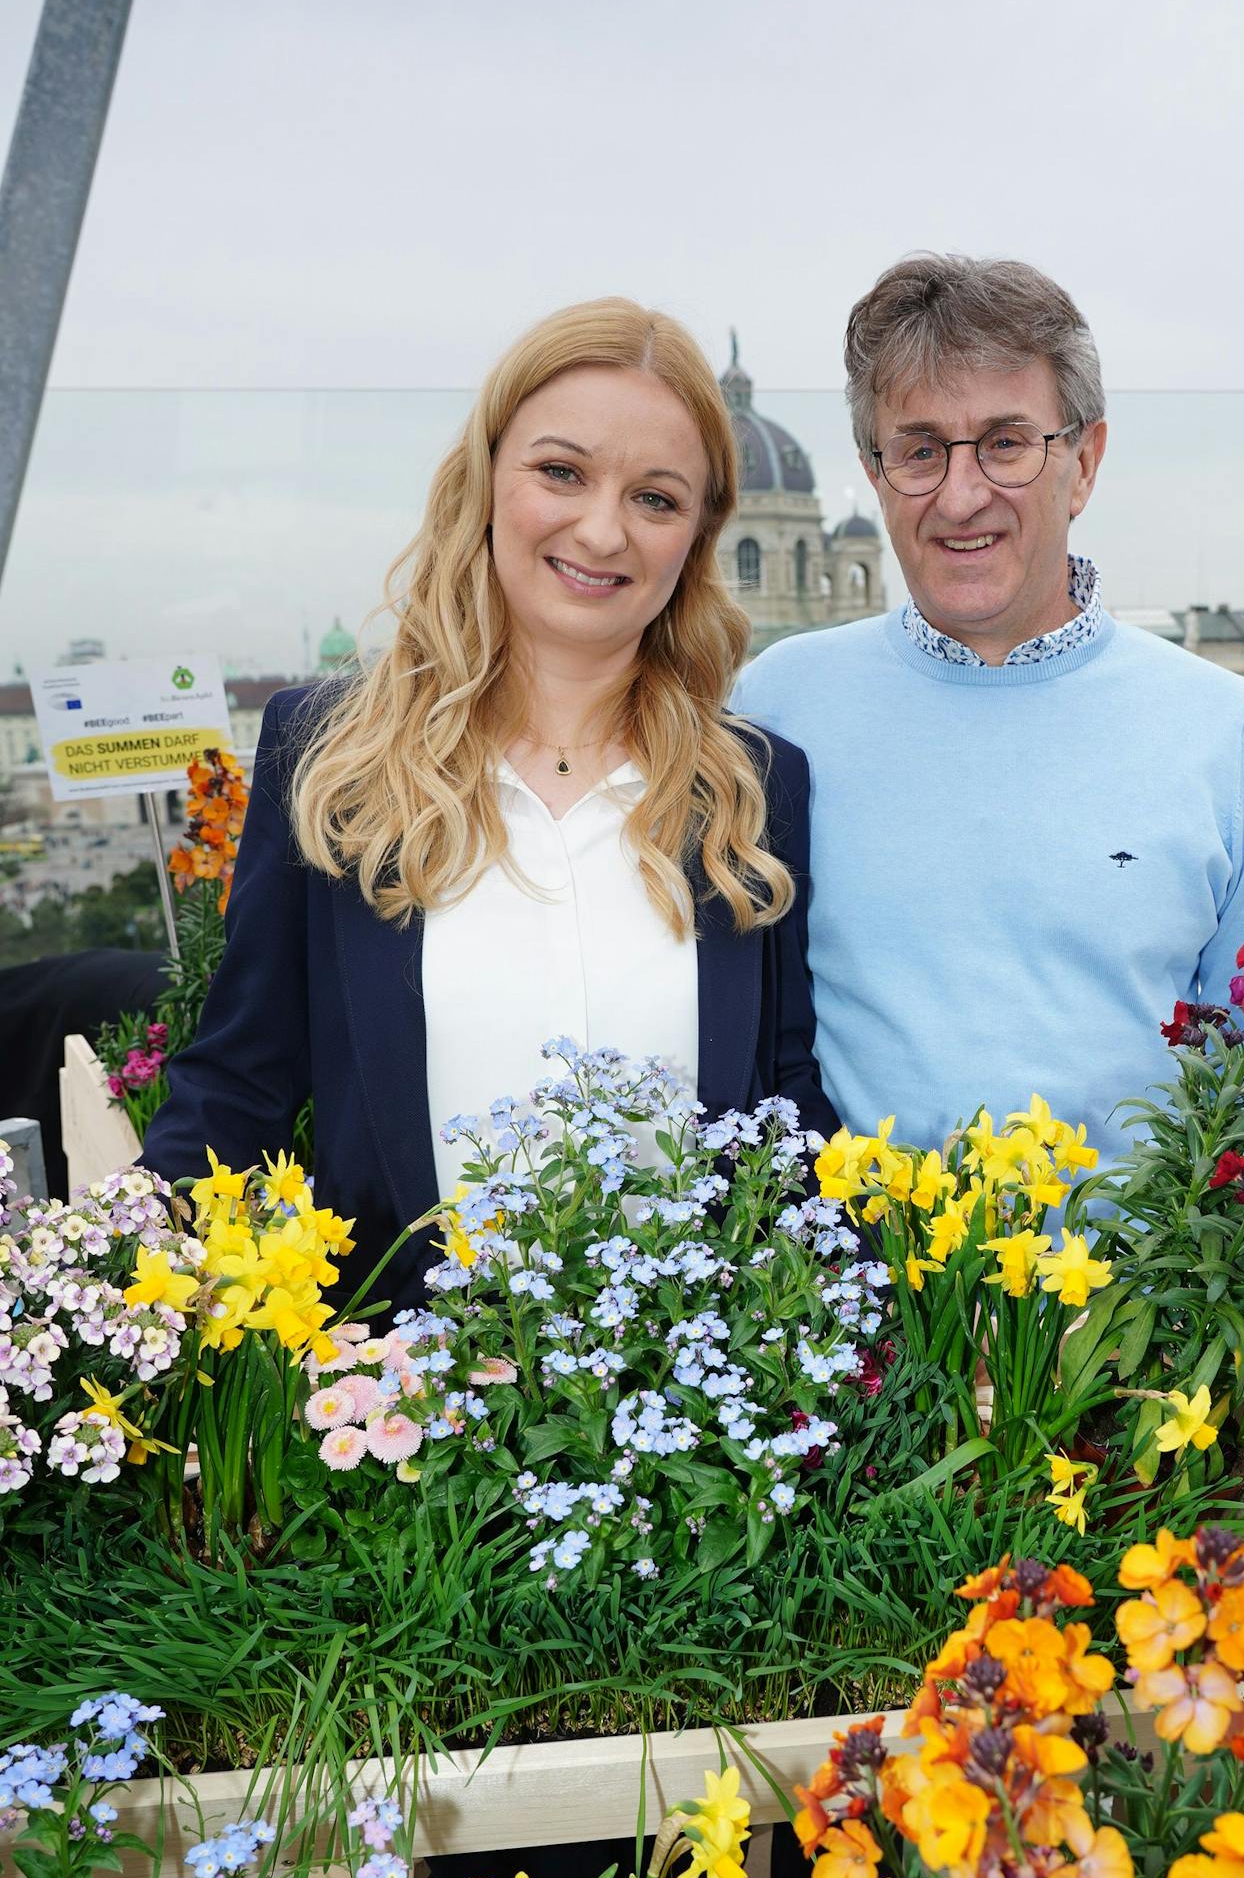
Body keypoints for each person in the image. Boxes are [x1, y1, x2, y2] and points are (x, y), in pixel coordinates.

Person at [144, 298, 837, 1307]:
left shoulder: (752, 785)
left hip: (694, 1436)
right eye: (561, 472)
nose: (601, 530)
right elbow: (240, 1083)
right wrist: (114, 1280)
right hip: (393, 1424)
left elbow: (782, 1114)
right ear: (485, 480)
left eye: (655, 498)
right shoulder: (331, 756)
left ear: (697, 537)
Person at [736, 252, 1244, 1159]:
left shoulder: (1224, 729)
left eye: (1005, 443)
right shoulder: (779, 702)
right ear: (875, 473)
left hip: (1129, 1294)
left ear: (1086, 459)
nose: (961, 495)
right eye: (918, 449)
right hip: (859, 1287)